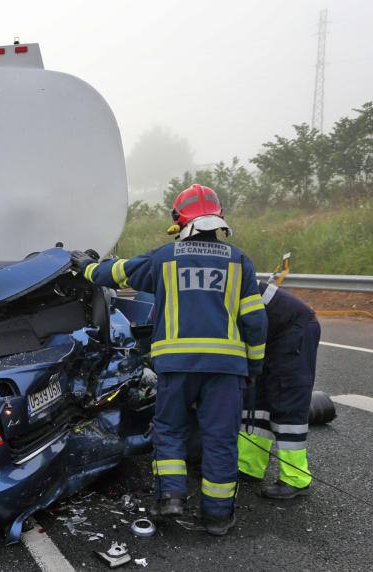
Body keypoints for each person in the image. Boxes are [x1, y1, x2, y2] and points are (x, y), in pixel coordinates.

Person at [71, 184, 267, 536]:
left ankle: (171, 500)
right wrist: (253, 367)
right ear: (218, 218)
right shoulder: (239, 261)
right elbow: (255, 321)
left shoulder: (165, 257)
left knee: (170, 431)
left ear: (179, 219)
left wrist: (86, 267)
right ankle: (218, 518)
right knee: (221, 439)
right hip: (225, 370)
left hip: (176, 366)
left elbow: (115, 273)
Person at [238, 280, 320, 499]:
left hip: (293, 329)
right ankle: (248, 466)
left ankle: (296, 479)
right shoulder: (218, 279)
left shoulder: (227, 283)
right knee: (255, 399)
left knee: (287, 400)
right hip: (268, 334)